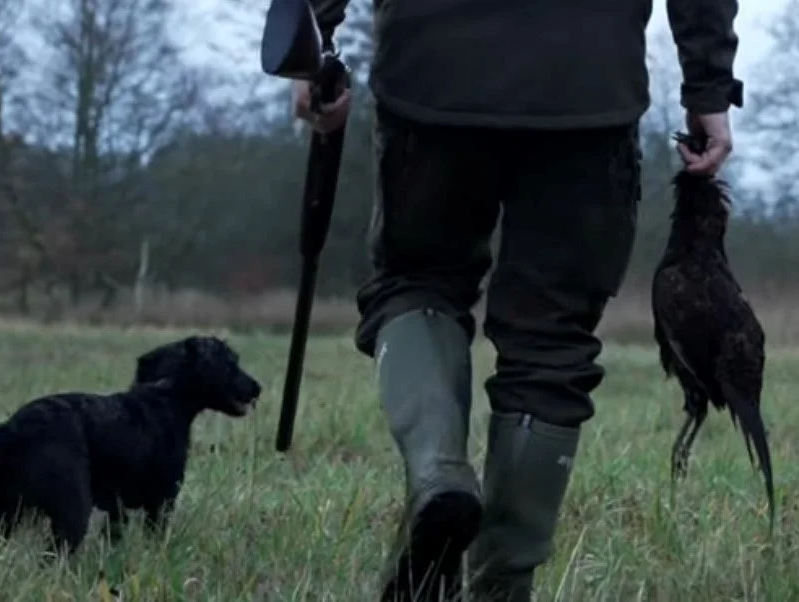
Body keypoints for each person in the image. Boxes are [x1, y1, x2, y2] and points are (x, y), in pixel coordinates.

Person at [292, 1, 742, 600]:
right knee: (551, 342)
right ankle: (500, 585)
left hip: (431, 72)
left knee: (416, 283)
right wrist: (708, 87)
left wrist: (312, 41)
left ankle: (439, 474)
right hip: (587, 82)